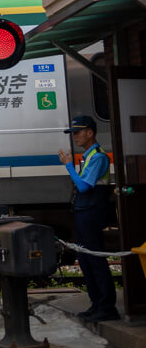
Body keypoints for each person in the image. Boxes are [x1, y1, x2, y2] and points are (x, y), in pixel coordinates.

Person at [57, 115, 119, 322]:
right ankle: (96, 304)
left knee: (95, 258)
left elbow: (83, 186)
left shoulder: (98, 157)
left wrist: (68, 165)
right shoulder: (89, 156)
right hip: (85, 211)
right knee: (85, 258)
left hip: (92, 212)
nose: (74, 137)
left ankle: (107, 306)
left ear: (90, 132)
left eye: (77, 132)